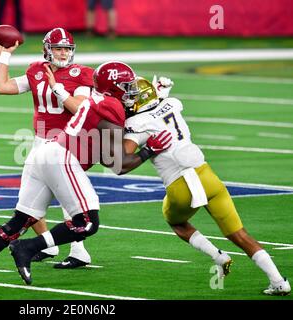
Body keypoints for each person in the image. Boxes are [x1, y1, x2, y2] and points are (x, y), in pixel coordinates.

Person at [0, 61, 172, 289]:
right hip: (63, 158)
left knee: (20, 221)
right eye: (127, 86)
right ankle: (27, 248)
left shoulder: (102, 101)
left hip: (45, 153)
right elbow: (116, 164)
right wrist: (149, 149)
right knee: (88, 223)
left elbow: (117, 126)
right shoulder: (111, 105)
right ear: (113, 87)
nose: (131, 91)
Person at [122, 77, 291, 296]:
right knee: (239, 234)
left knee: (176, 221)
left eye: (131, 96)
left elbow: (124, 156)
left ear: (142, 98)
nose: (126, 100)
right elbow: (158, 110)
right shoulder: (171, 103)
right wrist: (160, 93)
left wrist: (144, 149)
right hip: (207, 176)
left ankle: (218, 255)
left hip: (180, 184)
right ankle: (278, 281)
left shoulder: (137, 124)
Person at [0, 27, 95, 269]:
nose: (63, 53)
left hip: (67, 143)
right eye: (58, 48)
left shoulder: (81, 73)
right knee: (29, 202)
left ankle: (79, 251)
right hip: (40, 142)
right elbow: (1, 86)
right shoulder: (37, 70)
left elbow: (79, 107)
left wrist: (57, 88)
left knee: (68, 199)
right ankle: (48, 244)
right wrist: (5, 54)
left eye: (67, 48)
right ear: (47, 50)